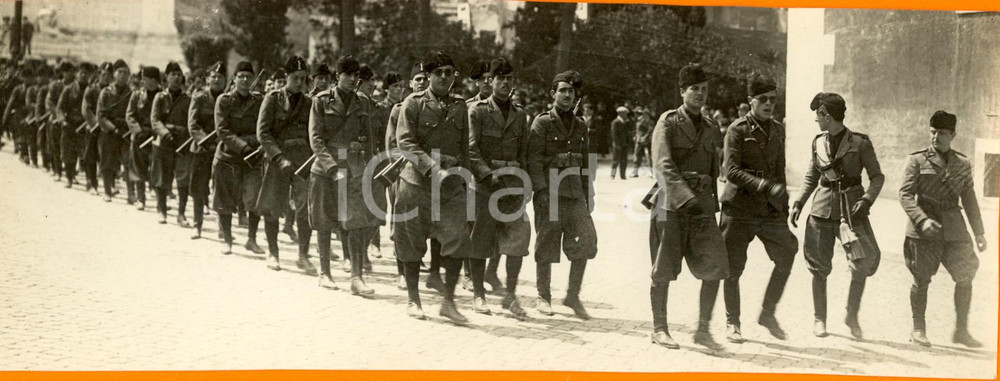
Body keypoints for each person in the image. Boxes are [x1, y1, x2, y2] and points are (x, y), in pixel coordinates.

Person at [646, 64, 728, 349]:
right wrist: (686, 197)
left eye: (704, 90)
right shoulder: (667, 122)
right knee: (664, 268)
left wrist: (710, 204)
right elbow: (662, 164)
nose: (700, 95)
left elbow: (713, 169)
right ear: (682, 91)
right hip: (671, 205)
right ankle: (659, 328)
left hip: (701, 208)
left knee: (717, 266)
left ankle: (703, 330)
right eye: (694, 89)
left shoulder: (710, 127)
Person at [789, 92, 884, 339]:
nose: (816, 120)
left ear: (827, 116)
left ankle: (851, 315)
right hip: (821, 210)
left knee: (861, 264)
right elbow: (812, 176)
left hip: (851, 212)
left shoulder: (860, 143)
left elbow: (877, 177)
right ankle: (819, 318)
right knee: (819, 267)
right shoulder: (818, 142)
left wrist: (866, 200)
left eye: (818, 115)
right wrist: (799, 201)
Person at [393, 50, 475, 323]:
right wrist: (432, 167)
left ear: (454, 76)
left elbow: (464, 145)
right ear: (427, 75)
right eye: (437, 72)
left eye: (448, 72)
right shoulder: (412, 103)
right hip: (416, 184)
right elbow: (405, 143)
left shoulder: (460, 105)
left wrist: (462, 174)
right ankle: (413, 299)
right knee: (412, 242)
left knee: (458, 240)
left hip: (450, 187)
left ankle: (449, 302)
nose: (443, 77)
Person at [899, 110, 987, 348]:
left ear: (953, 135)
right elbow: (905, 195)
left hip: (955, 230)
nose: (936, 137)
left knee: (966, 275)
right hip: (924, 229)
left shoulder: (963, 163)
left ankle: (961, 331)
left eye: (943, 133)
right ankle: (918, 329)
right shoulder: (916, 160)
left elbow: (969, 199)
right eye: (933, 132)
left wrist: (979, 232)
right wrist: (921, 219)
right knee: (922, 278)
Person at [720, 74, 798, 343]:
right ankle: (733, 322)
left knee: (788, 252)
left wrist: (784, 207)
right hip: (738, 208)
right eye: (763, 99)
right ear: (750, 101)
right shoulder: (737, 130)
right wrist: (765, 186)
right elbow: (730, 171)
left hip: (768, 209)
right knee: (732, 267)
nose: (768, 104)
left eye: (773, 100)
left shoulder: (778, 129)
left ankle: (767, 312)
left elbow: (779, 170)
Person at [526, 70, 597, 320]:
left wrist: (589, 193)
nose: (567, 95)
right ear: (553, 94)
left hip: (575, 191)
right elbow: (533, 159)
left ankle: (572, 295)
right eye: (563, 90)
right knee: (546, 243)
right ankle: (543, 296)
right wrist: (541, 191)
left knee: (587, 240)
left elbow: (587, 162)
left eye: (571, 91)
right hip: (550, 191)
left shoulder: (580, 125)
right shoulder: (542, 122)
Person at [308, 55, 379, 296]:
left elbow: (368, 138)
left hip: (354, 169)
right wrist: (331, 168)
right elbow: (316, 140)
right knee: (325, 221)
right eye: (347, 75)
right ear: (337, 77)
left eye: (355, 75)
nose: (352, 79)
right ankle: (324, 273)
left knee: (356, 222)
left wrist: (369, 167)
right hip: (326, 169)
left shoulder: (363, 102)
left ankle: (356, 277)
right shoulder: (321, 101)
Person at [467, 57, 531, 318]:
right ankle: (478, 295)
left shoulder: (520, 114)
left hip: (513, 186)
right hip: (485, 186)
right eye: (500, 79)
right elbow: (470, 149)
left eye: (509, 79)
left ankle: (511, 296)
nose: (505, 83)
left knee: (518, 239)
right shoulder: (479, 111)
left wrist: (526, 182)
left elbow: (524, 152)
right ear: (490, 82)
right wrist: (486, 174)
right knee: (480, 240)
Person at [256, 56, 316, 274]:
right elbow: (263, 133)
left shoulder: (309, 103)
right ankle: (273, 252)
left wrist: (310, 158)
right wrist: (279, 158)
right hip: (277, 161)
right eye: (295, 78)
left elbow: (313, 134)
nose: (300, 82)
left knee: (304, 210)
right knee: (272, 207)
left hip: (302, 163)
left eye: (303, 78)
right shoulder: (273, 99)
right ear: (286, 78)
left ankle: (303, 255)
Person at [385, 63, 430, 291]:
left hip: (427, 175)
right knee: (400, 223)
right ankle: (401, 270)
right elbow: (393, 146)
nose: (421, 82)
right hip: (403, 174)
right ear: (410, 84)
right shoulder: (399, 109)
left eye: (424, 78)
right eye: (417, 79)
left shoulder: (432, 108)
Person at [213, 60, 265, 255]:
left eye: (248, 77)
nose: (244, 80)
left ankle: (251, 239)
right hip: (228, 156)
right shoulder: (224, 101)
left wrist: (251, 143)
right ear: (234, 79)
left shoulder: (259, 101)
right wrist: (243, 145)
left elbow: (263, 127)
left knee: (254, 198)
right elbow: (222, 130)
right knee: (225, 199)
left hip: (252, 159)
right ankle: (227, 239)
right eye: (241, 76)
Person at [149, 62, 192, 226]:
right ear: (166, 78)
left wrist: (184, 134)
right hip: (163, 143)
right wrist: (165, 132)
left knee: (183, 179)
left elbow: (191, 121)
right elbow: (155, 119)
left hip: (182, 144)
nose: (176, 77)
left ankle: (181, 214)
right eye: (172, 74)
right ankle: (162, 209)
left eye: (179, 75)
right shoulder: (160, 97)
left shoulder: (188, 99)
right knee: (162, 178)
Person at [188, 62, 226, 239]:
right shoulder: (199, 97)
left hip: (222, 149)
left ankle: (222, 227)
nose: (216, 79)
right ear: (208, 79)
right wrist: (204, 140)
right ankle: (197, 225)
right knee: (199, 188)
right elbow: (193, 124)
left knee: (221, 189)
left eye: (220, 77)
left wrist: (220, 141)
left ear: (225, 80)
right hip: (201, 148)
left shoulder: (228, 98)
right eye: (213, 76)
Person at [125, 66, 161, 212]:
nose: (142, 82)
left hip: (157, 135)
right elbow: (130, 115)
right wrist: (137, 130)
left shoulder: (163, 95)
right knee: (138, 168)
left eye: (145, 79)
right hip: (140, 136)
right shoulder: (137, 95)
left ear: (153, 80)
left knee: (158, 169)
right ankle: (141, 199)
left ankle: (160, 201)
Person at [97, 60, 132, 203]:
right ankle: (107, 191)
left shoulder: (132, 94)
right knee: (107, 162)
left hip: (126, 133)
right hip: (109, 133)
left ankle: (131, 194)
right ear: (114, 75)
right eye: (120, 72)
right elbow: (101, 115)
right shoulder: (105, 92)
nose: (123, 75)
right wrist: (112, 128)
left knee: (129, 163)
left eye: (125, 72)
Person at [56, 61, 92, 189]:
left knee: (85, 154)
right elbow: (59, 108)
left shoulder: (92, 90)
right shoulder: (68, 89)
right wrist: (63, 121)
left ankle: (89, 180)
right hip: (69, 126)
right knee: (68, 154)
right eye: (81, 73)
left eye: (86, 74)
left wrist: (90, 122)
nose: (83, 75)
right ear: (77, 74)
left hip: (85, 126)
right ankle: (69, 178)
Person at [81, 62, 111, 195]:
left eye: (109, 75)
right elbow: (86, 109)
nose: (107, 77)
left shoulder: (112, 91)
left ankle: (110, 185)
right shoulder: (91, 89)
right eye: (104, 74)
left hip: (106, 127)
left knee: (107, 156)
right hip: (93, 126)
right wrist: (95, 123)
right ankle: (92, 182)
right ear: (99, 74)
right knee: (91, 155)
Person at [609, 106, 632, 180]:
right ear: (620, 113)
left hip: (625, 144)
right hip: (618, 144)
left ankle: (623, 175)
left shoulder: (626, 122)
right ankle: (612, 174)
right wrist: (616, 144)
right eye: (625, 113)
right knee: (615, 160)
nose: (626, 115)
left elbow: (629, 133)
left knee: (624, 160)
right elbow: (614, 134)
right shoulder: (615, 122)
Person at [631, 107, 653, 178]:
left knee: (647, 156)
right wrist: (635, 136)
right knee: (637, 156)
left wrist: (645, 136)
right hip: (639, 140)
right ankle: (635, 172)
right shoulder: (638, 120)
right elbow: (638, 130)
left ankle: (650, 172)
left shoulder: (643, 120)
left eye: (636, 113)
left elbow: (650, 129)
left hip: (644, 140)